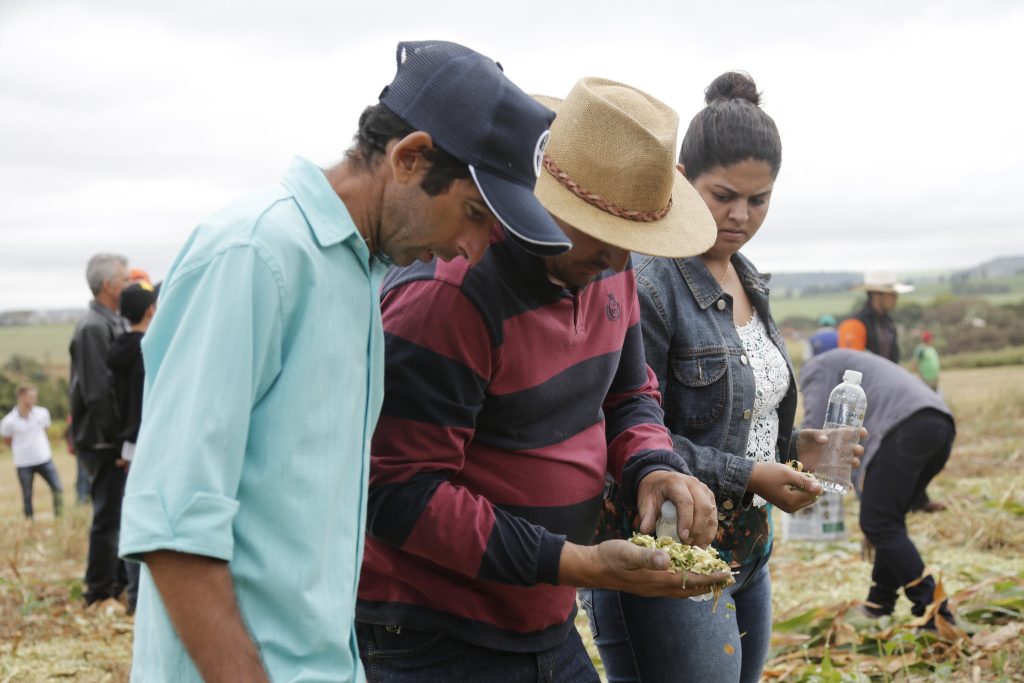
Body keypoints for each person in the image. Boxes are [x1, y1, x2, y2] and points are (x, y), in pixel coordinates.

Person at [118, 40, 566, 683]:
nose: (469, 252)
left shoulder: (361, 277)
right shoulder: (257, 254)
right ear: (410, 158)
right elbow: (174, 521)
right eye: (473, 214)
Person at [356, 78, 731, 682]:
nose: (618, 263)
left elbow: (628, 394)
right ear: (547, 199)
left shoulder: (608, 268)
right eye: (604, 237)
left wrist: (652, 466)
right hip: (433, 632)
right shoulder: (447, 293)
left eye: (633, 244)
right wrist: (575, 563)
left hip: (542, 613)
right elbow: (399, 491)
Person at [583, 72, 860, 683]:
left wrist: (795, 449)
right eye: (724, 195)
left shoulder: (749, 277)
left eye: (758, 200)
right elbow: (627, 430)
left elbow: (743, 413)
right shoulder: (649, 285)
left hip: (748, 546)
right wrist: (750, 475)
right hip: (668, 551)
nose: (740, 216)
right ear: (682, 180)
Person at [800, 349, 956, 629]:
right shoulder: (847, 360)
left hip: (908, 425)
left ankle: (935, 612)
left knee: (879, 523)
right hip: (940, 424)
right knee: (887, 522)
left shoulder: (815, 368)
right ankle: (879, 602)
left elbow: (816, 433)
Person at [69, 252, 129, 610]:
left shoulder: (110, 321)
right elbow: (96, 392)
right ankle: (99, 591)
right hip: (102, 437)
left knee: (117, 512)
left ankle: (117, 582)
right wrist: (119, 439)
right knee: (107, 515)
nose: (128, 285)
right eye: (124, 279)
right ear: (109, 285)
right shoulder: (93, 327)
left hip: (111, 436)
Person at [106, 280, 158, 615]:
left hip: (126, 444)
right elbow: (145, 403)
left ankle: (134, 594)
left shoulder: (117, 349)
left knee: (130, 519)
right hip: (144, 442)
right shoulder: (145, 351)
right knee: (145, 520)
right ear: (151, 310)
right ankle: (140, 598)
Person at [1, 385, 63, 519]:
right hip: (23, 462)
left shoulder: (43, 413)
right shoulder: (8, 421)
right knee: (27, 494)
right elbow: (7, 440)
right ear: (21, 397)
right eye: (31, 397)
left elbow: (45, 429)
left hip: (44, 458)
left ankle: (60, 516)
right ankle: (29, 520)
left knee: (57, 487)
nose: (34, 400)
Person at [837, 269, 913, 362]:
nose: (896, 297)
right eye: (892, 293)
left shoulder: (888, 323)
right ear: (877, 294)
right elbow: (850, 364)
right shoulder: (854, 325)